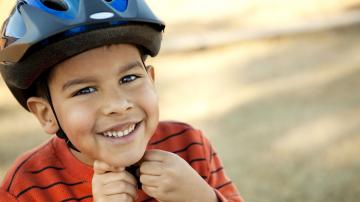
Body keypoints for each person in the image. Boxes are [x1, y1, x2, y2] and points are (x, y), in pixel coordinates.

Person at [0, 0, 244, 201]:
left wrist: (202, 198)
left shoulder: (189, 146)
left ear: (151, 80)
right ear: (46, 114)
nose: (118, 105)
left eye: (128, 78)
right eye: (85, 91)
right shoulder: (26, 187)